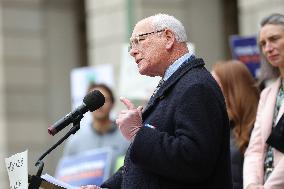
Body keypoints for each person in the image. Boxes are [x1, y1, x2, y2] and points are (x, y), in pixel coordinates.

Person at [80, 13, 232, 189]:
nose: (132, 51)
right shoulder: (176, 83)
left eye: (139, 40)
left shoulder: (195, 86)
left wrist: (138, 134)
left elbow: (194, 160)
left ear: (168, 38)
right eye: (131, 44)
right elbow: (144, 167)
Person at [243, 13, 284, 189]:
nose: (268, 48)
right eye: (263, 44)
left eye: (274, 39)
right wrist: (252, 184)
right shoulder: (268, 93)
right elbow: (255, 148)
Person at [58, 83, 129, 180]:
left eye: (104, 100)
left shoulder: (125, 137)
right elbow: (64, 176)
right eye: (94, 101)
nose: (99, 106)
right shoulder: (76, 139)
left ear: (112, 104)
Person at [211, 60, 260, 189]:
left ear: (233, 88)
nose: (209, 89)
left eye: (215, 85)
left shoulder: (259, 125)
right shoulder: (223, 125)